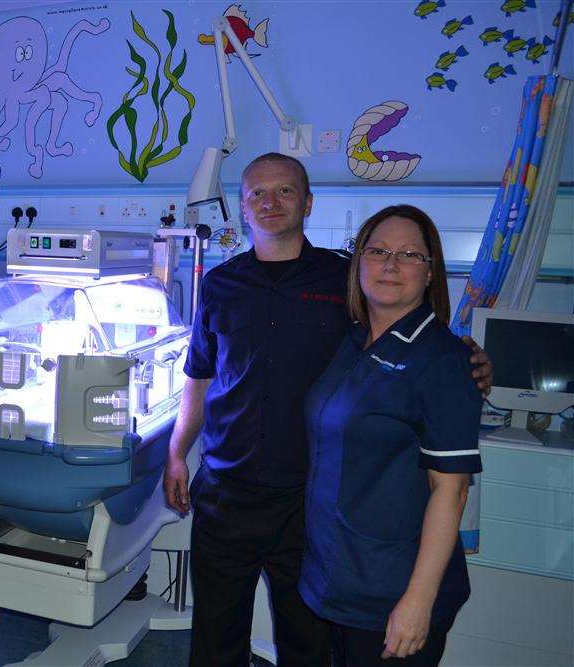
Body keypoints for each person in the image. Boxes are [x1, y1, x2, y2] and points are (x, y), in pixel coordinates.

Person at [162, 153, 491, 666]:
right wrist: (177, 452)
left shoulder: (347, 282)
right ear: (243, 208)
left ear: (308, 202)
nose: (271, 203)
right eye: (257, 194)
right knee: (214, 637)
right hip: (225, 493)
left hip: (307, 503)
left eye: (286, 191)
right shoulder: (219, 285)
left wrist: (467, 357)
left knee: (307, 643)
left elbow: (402, 338)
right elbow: (200, 376)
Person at [299, 205, 482, 665]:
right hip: (339, 575)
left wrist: (417, 603)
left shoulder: (441, 359)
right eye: (378, 250)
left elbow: (452, 489)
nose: (391, 264)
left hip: (392, 590)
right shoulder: (354, 340)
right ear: (359, 262)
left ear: (429, 272)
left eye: (408, 254)